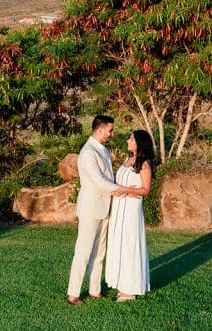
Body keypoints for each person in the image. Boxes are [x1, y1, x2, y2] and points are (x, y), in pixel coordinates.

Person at [67, 115, 127, 305]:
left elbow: (108, 177)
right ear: (100, 130)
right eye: (110, 130)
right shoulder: (88, 152)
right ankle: (73, 294)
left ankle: (95, 290)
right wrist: (123, 190)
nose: (112, 134)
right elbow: (98, 180)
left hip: (104, 207)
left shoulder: (103, 150)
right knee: (83, 252)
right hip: (90, 207)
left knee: (99, 252)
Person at [105, 129, 156, 301]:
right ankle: (121, 284)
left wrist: (127, 190)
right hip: (118, 207)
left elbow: (146, 190)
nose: (128, 141)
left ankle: (130, 289)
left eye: (131, 139)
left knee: (129, 244)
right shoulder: (127, 160)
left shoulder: (144, 164)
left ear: (140, 143)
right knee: (118, 243)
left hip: (131, 209)